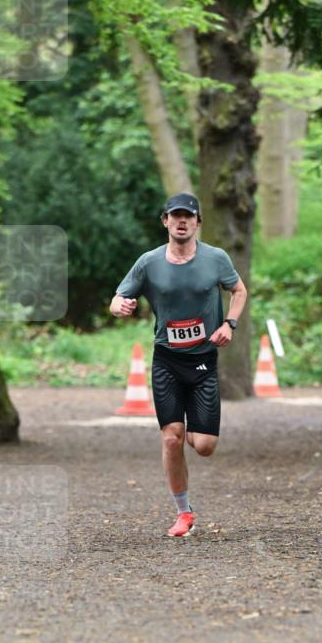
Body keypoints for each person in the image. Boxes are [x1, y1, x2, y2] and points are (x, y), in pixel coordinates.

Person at [110, 193, 247, 537]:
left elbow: (239, 290)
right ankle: (183, 512)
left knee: (203, 446)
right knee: (171, 439)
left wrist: (229, 324)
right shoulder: (149, 262)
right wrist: (120, 307)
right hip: (167, 361)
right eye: (175, 216)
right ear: (165, 222)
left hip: (202, 361)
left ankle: (191, 430)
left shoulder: (216, 258)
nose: (182, 221)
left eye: (189, 216)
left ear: (198, 222)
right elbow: (118, 297)